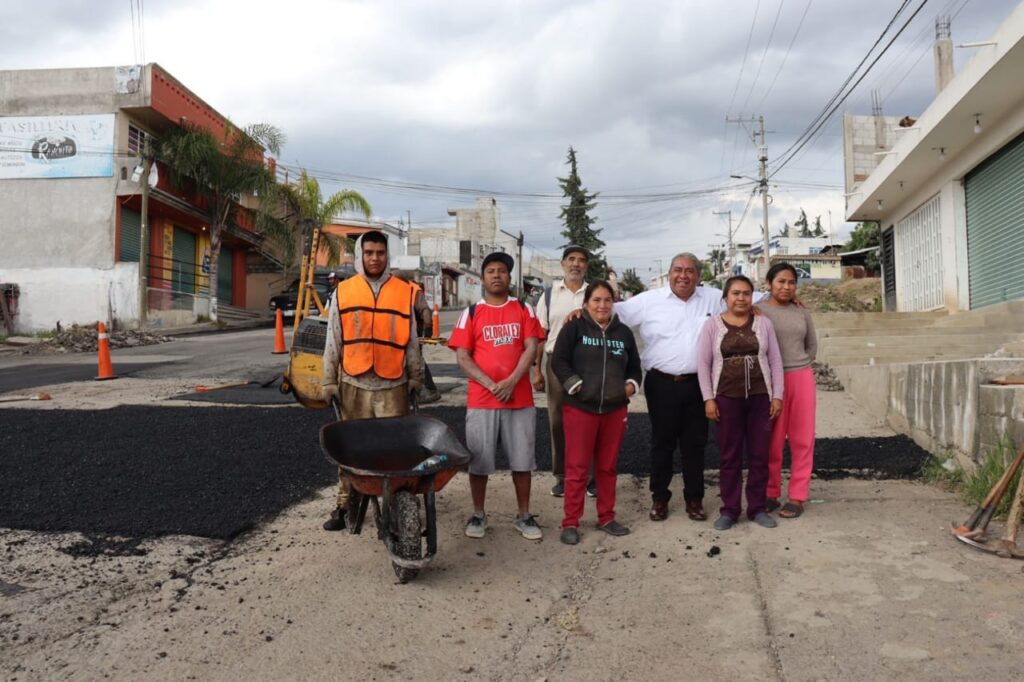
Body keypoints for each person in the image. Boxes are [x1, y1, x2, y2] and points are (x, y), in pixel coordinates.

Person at [320, 231, 425, 531]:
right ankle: (345, 503)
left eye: (380, 253)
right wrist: (329, 380)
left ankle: (400, 500)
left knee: (397, 450)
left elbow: (412, 341)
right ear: (360, 255)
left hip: (394, 386)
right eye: (369, 253)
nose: (375, 258)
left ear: (387, 255)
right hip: (354, 384)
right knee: (350, 450)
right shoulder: (344, 292)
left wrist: (416, 376)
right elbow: (333, 339)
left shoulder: (404, 292)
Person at [613, 253, 723, 522]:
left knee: (694, 444)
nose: (683, 275)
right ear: (669, 274)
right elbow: (612, 311)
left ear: (698, 275)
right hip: (661, 384)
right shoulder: (649, 300)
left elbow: (748, 298)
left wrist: (780, 302)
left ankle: (694, 500)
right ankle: (659, 498)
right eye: (677, 270)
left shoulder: (713, 298)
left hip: (699, 384)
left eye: (689, 271)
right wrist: (578, 312)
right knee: (662, 443)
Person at [448, 252, 545, 541]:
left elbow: (531, 347)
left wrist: (512, 381)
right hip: (482, 400)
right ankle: (478, 514)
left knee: (523, 461)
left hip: (520, 399)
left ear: (509, 277)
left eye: (502, 270)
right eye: (490, 271)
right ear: (482, 278)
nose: (496, 275)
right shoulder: (471, 313)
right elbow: (462, 357)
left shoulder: (524, 309)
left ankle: (524, 515)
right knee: (479, 461)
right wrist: (492, 385)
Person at [550, 281, 641, 545]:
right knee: (577, 468)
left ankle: (606, 517)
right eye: (596, 300)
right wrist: (575, 385)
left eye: (607, 300)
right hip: (580, 408)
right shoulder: (574, 327)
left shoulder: (623, 333)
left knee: (607, 467)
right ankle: (570, 522)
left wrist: (629, 387)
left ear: (614, 303)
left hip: (614, 409)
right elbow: (559, 360)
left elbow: (635, 367)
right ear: (586, 303)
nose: (602, 305)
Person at [697, 275, 784, 531]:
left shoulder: (763, 323)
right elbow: (703, 363)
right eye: (735, 293)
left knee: (759, 455)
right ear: (725, 297)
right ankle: (730, 510)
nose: (741, 298)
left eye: (746, 293)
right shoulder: (712, 325)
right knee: (730, 456)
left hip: (760, 398)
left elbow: (775, 360)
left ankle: (757, 508)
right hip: (726, 398)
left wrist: (777, 395)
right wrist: (708, 399)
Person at [532, 245, 595, 498]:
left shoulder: (594, 294)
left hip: (588, 364)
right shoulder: (549, 296)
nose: (576, 264)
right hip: (555, 364)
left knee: (589, 419)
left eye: (581, 260)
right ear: (563, 264)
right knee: (558, 421)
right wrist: (537, 371)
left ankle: (590, 478)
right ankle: (562, 477)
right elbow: (540, 335)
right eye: (571, 259)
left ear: (586, 266)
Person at [756, 263, 818, 519]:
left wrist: (798, 365)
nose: (786, 286)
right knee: (772, 440)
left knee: (802, 439)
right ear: (769, 283)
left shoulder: (802, 312)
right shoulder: (758, 311)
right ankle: (770, 492)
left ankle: (797, 496)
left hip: (801, 378)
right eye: (781, 281)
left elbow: (811, 346)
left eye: (791, 282)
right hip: (770, 381)